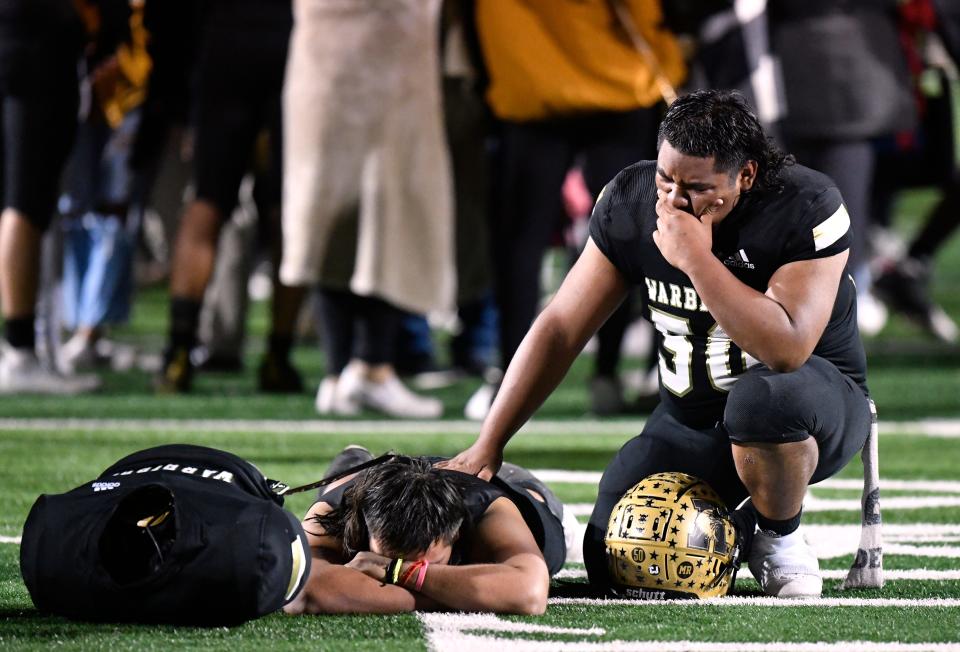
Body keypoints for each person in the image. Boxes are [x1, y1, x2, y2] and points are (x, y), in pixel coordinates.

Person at [442, 90, 873, 599]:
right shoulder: (630, 198)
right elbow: (561, 327)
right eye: (665, 179)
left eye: (694, 187)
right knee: (616, 561)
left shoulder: (806, 204)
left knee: (764, 400)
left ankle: (780, 536)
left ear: (746, 176)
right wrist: (489, 442)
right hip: (691, 418)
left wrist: (697, 261)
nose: (671, 200)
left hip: (810, 407)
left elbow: (787, 348)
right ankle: (732, 530)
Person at [284, 447, 571, 615]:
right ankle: (353, 463)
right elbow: (302, 592)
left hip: (506, 485)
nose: (403, 571)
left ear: (456, 535)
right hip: (373, 481)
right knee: (343, 482)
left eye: (422, 562)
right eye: (392, 557)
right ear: (365, 530)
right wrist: (467, 593)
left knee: (551, 520)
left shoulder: (488, 512)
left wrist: (393, 572)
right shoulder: (336, 513)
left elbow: (529, 593)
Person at [0, 0, 98, 393]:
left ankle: (21, 348)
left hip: (20, 37)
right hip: (34, 42)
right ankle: (20, 351)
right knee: (25, 204)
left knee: (18, 203)